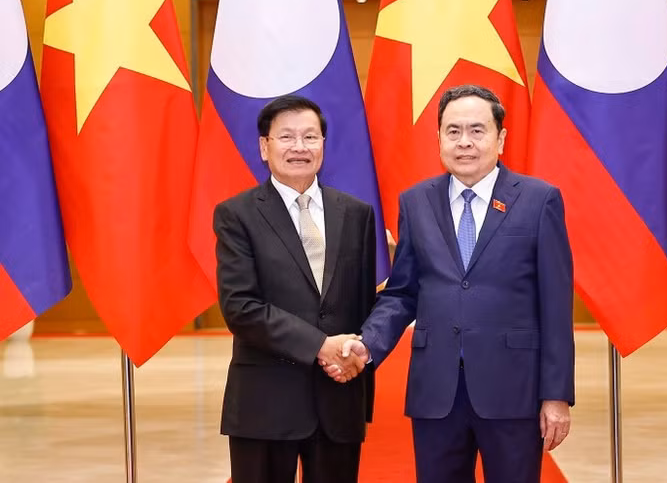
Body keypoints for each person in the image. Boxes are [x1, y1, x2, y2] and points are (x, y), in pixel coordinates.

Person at [330, 84, 575, 483]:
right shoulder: (416, 201)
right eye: (453, 131)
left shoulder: (538, 200)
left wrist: (557, 394)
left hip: (513, 389)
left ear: (501, 138)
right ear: (439, 138)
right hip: (436, 391)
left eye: (477, 131)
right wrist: (367, 343)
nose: (465, 142)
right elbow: (403, 292)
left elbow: (555, 305)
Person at [214, 95, 376, 483]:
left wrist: (357, 358)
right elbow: (241, 307)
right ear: (264, 147)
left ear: (323, 144)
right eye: (286, 137)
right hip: (265, 402)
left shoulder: (356, 214)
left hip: (338, 397)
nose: (300, 147)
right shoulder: (237, 214)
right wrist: (320, 346)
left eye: (310, 137)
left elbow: (363, 305)